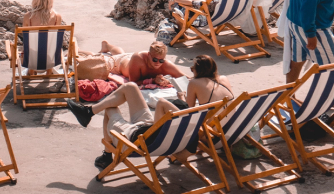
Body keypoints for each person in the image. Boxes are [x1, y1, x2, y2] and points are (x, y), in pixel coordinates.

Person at [68, 54, 233, 170]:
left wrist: (180, 99)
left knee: (110, 107)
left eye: (192, 67)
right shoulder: (222, 81)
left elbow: (188, 112)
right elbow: (190, 115)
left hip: (145, 137)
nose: (190, 69)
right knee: (131, 86)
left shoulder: (191, 109)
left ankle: (106, 155)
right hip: (154, 128)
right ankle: (88, 111)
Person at [75, 41, 186, 84]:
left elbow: (185, 78)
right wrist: (153, 80)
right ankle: (78, 49)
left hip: (129, 60)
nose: (158, 63)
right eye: (155, 60)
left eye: (161, 60)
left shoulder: (165, 64)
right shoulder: (138, 59)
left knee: (121, 54)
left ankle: (107, 46)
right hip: (119, 64)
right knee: (98, 58)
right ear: (148, 55)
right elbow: (133, 82)